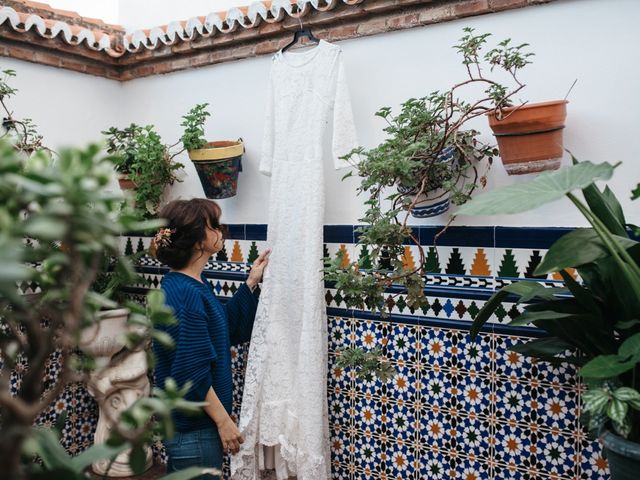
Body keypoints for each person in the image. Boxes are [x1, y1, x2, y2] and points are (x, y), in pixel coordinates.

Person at [151, 198, 270, 478]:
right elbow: (191, 372)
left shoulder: (188, 284)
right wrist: (223, 421)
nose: (221, 231)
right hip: (194, 430)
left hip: (194, 427)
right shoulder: (185, 295)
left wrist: (251, 282)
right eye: (214, 225)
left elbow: (223, 329)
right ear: (197, 241)